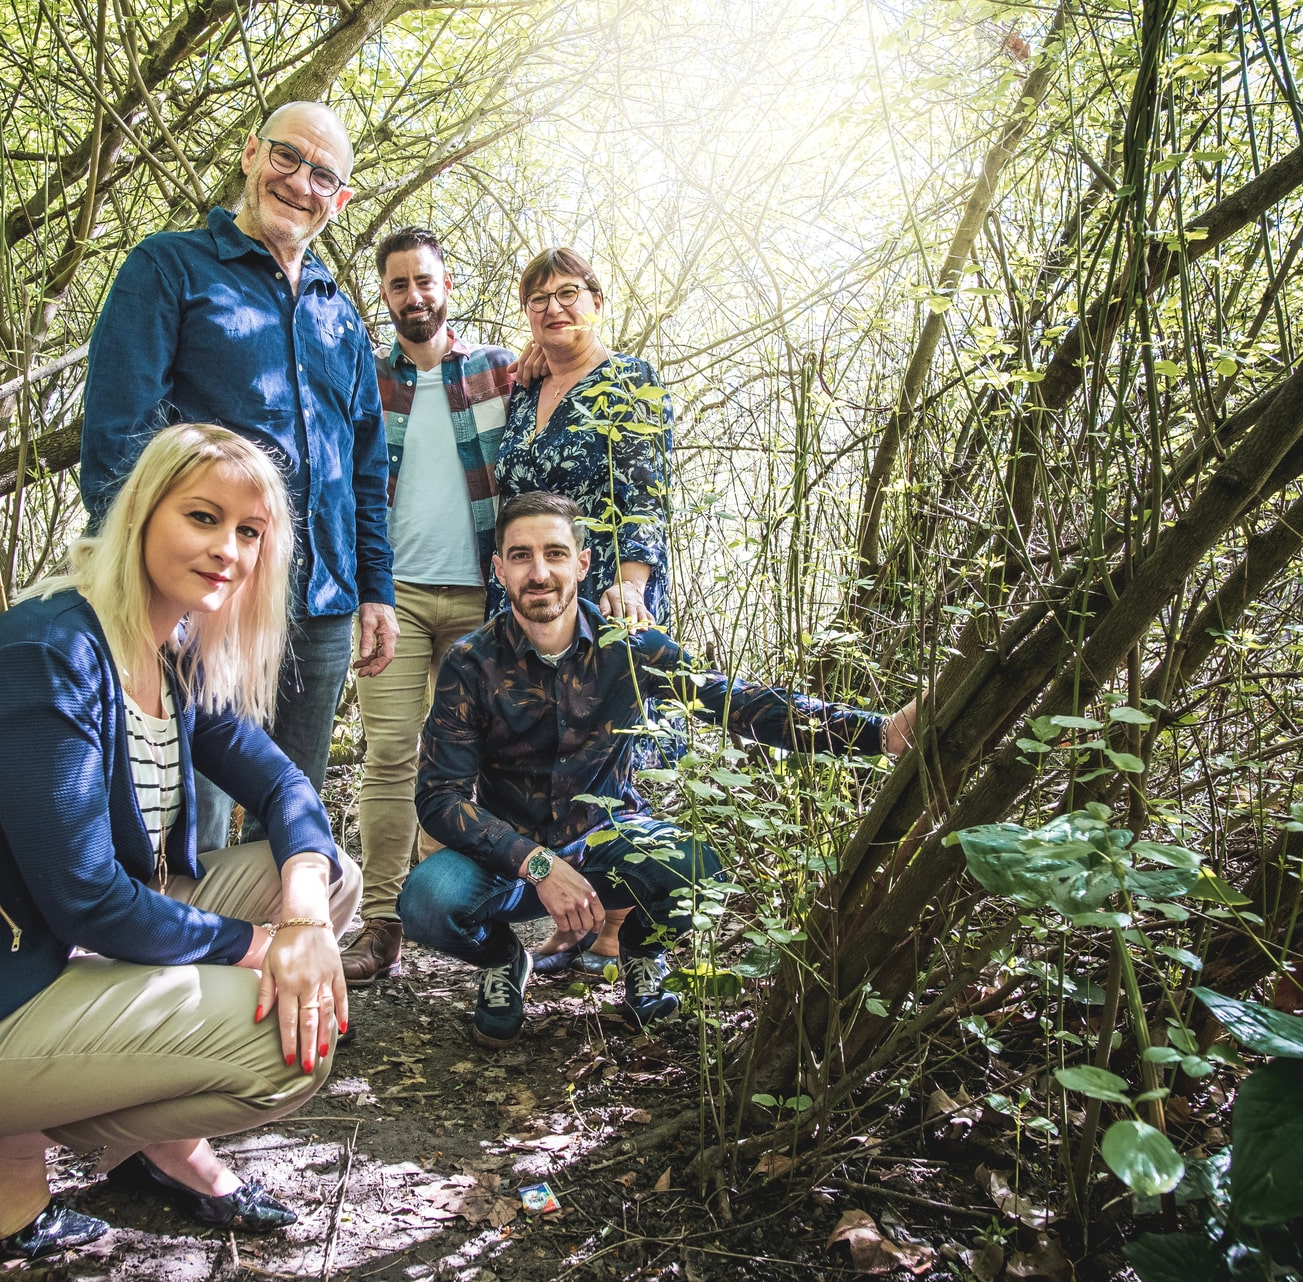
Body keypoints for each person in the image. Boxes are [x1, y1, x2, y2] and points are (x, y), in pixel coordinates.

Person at [0, 425, 362, 1258]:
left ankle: (154, 1148)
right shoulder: (49, 656)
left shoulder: (172, 646)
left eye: (250, 532)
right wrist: (264, 945)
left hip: (59, 947)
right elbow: (88, 896)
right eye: (203, 517)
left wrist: (300, 914)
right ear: (140, 515)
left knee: (329, 879)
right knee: (282, 1051)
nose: (228, 548)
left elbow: (284, 786)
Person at [398, 492, 915, 1049]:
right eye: (521, 556)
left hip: (609, 842)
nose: (539, 571)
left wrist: (878, 733)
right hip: (508, 862)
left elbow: (736, 702)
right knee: (427, 902)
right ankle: (504, 961)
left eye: (554, 552)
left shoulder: (631, 647)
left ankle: (642, 954)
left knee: (702, 873)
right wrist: (537, 863)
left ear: (583, 562)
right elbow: (440, 798)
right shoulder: (471, 663)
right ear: (498, 569)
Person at [81, 99, 398, 839]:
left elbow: (364, 469)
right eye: (287, 157)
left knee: (293, 817)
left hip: (321, 604)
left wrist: (375, 590)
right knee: (191, 820)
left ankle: (278, 953)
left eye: (323, 174)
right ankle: (193, 953)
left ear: (340, 200)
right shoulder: (168, 268)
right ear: (252, 153)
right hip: (205, 603)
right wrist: (145, 589)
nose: (299, 181)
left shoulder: (341, 316)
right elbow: (117, 443)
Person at [340, 226, 517, 986]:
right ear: (383, 296)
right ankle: (380, 923)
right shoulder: (364, 377)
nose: (415, 295)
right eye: (399, 284)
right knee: (389, 755)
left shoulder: (499, 371)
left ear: (448, 285)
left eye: (426, 280)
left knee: (475, 760)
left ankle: (471, 916)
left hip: (483, 593)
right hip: (394, 597)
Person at [494, 246, 673, 975]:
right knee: (542, 759)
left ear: (597, 300)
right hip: (528, 601)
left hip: (602, 597)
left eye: (569, 294)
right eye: (539, 299)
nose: (554, 308)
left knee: (607, 758)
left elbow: (647, 491)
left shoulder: (629, 381)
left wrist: (629, 584)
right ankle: (575, 918)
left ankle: (618, 931)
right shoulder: (522, 389)